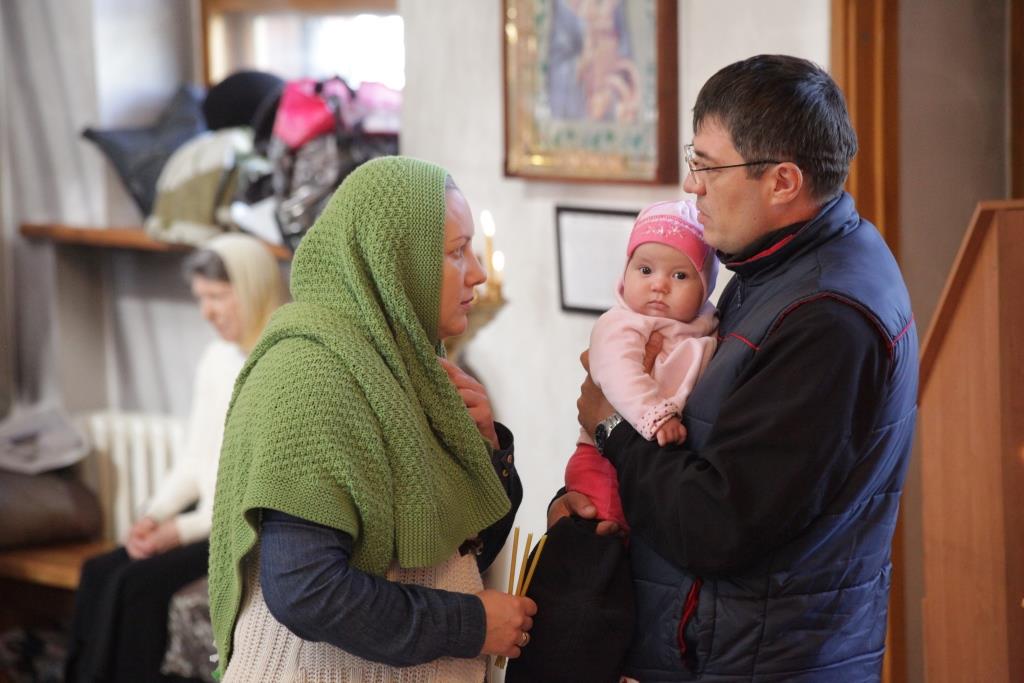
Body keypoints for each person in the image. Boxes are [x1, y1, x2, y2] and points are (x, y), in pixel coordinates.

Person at [551, 54, 919, 682]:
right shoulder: (776, 266)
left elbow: (718, 524)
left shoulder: (826, 317)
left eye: (707, 166)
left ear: (782, 181)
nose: (691, 185)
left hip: (764, 660)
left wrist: (612, 427)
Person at [207, 156, 536, 682]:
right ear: (395, 260)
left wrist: (488, 449)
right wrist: (470, 624)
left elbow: (456, 553)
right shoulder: (311, 374)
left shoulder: (407, 363)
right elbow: (306, 590)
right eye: (456, 252)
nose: (477, 273)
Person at [65, 233, 287, 683]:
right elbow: (194, 457)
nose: (206, 312)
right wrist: (154, 515)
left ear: (252, 289)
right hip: (206, 516)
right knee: (98, 571)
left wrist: (178, 531)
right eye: (201, 298)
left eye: (217, 297)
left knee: (134, 586)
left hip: (244, 528)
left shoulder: (282, 362)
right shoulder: (217, 359)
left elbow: (255, 488)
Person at [565, 198, 718, 531]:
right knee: (608, 530)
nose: (658, 285)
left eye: (680, 275)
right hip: (603, 462)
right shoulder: (622, 323)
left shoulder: (704, 326)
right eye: (645, 270)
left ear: (705, 287)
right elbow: (618, 374)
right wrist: (656, 415)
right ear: (626, 272)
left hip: (651, 462)